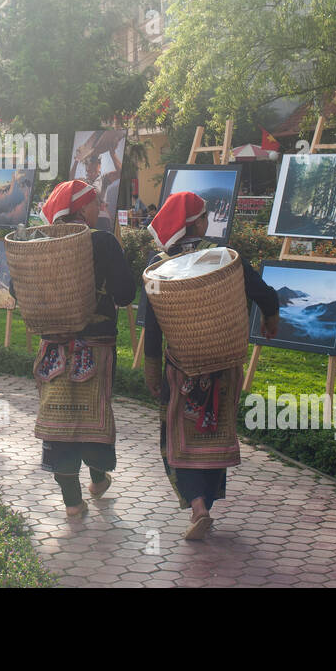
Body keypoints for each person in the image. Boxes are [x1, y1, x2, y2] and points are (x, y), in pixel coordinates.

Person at [141, 191, 280, 540]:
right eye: (204, 216)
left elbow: (153, 324)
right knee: (213, 432)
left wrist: (152, 367)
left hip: (180, 365)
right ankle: (206, 504)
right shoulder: (220, 258)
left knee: (178, 434)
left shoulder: (158, 266)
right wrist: (271, 318)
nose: (208, 221)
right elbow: (264, 293)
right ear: (196, 223)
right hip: (222, 364)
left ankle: (198, 506)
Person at [29, 180, 135, 519]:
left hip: (54, 348)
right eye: (95, 203)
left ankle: (73, 501)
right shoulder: (102, 242)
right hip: (96, 346)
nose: (100, 208)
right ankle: (98, 476)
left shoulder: (38, 245)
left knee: (59, 417)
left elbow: (20, 292)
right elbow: (125, 294)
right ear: (81, 209)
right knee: (93, 414)